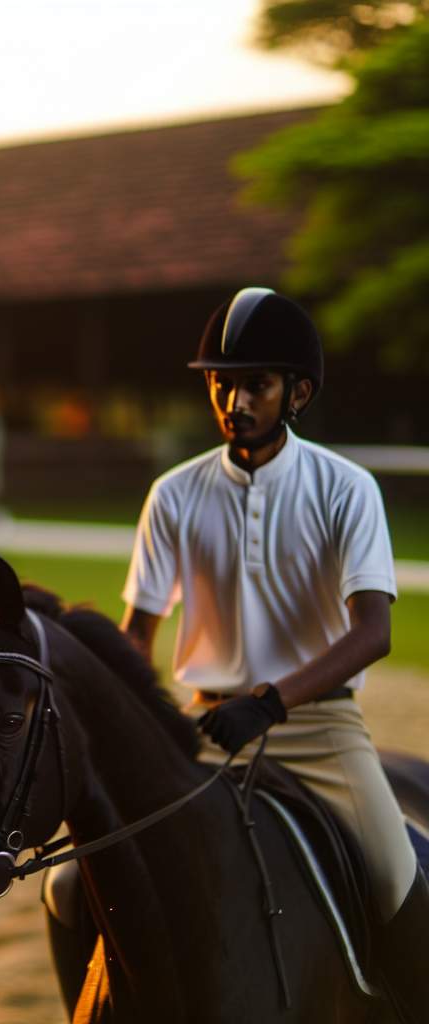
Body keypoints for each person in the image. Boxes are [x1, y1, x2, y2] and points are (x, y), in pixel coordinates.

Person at [43, 286, 428, 1022]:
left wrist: (274, 701)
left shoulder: (347, 490)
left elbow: (372, 631)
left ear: (298, 392)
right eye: (222, 381)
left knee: (391, 873)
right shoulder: (174, 495)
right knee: (66, 887)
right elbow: (134, 641)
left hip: (320, 729)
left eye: (256, 383)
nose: (234, 398)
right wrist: (133, 726)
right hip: (205, 729)